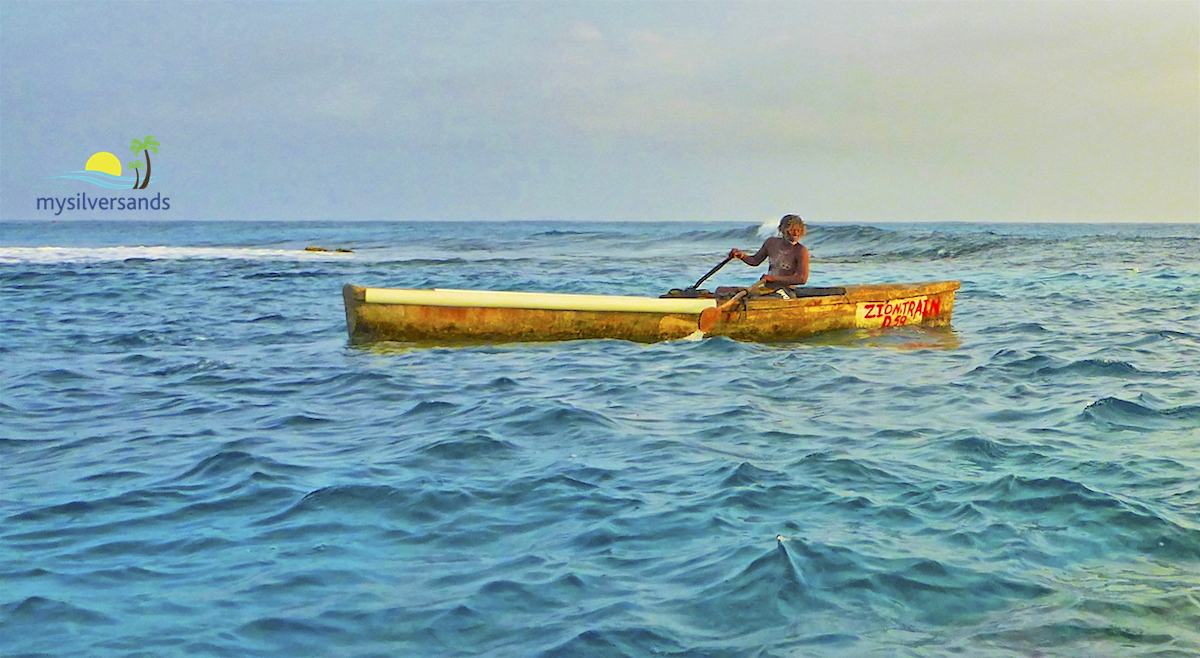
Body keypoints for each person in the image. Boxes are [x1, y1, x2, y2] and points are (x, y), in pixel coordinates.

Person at [728, 214, 809, 294]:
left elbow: (802, 279)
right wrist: (741, 256)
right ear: (781, 230)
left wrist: (773, 278)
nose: (795, 234)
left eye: (798, 230)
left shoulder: (800, 250)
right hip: (767, 289)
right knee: (721, 291)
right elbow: (755, 260)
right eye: (791, 230)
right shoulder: (771, 243)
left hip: (786, 291)